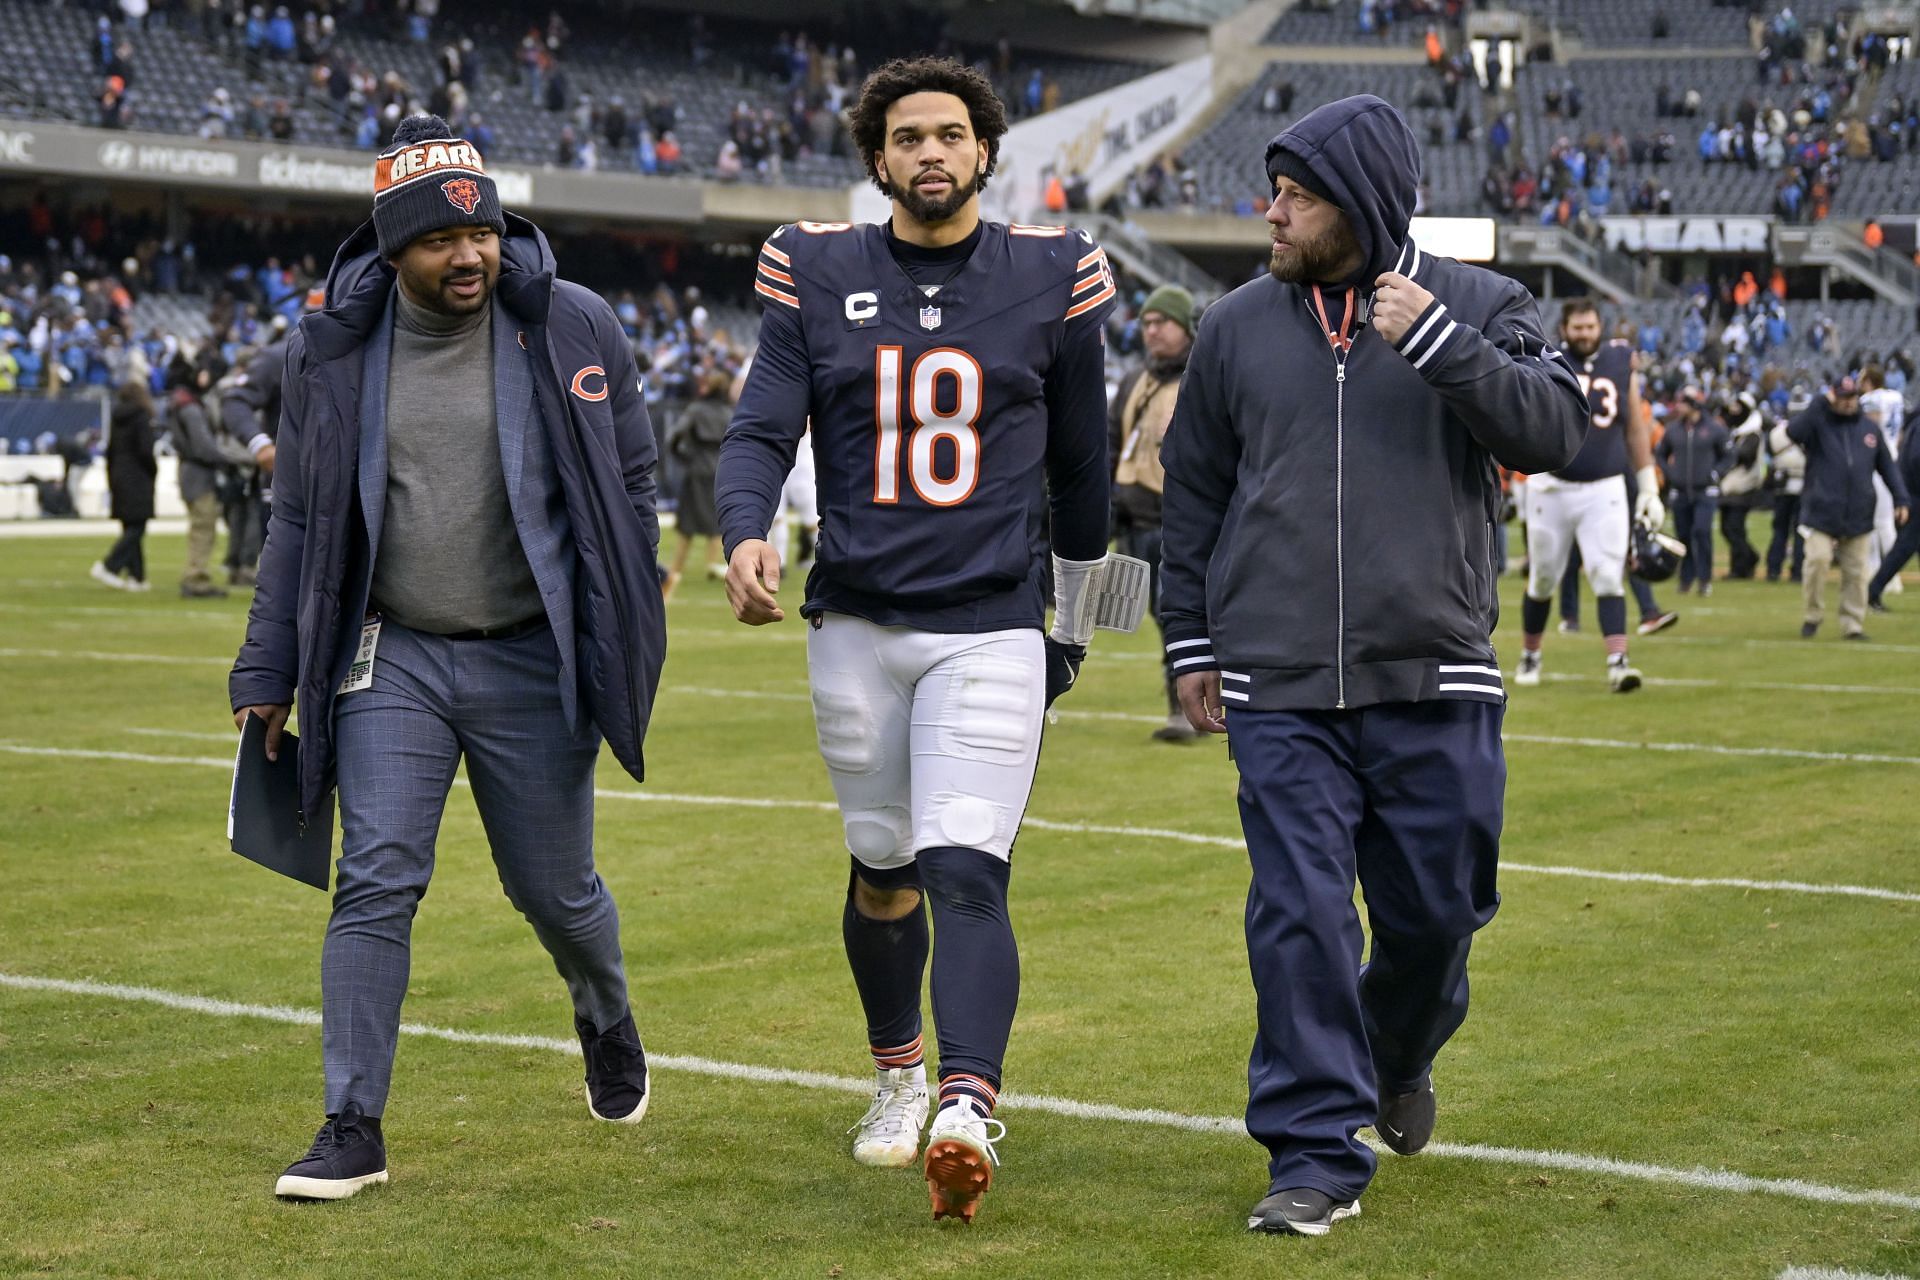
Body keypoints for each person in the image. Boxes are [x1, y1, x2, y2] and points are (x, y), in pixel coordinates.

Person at [1158, 94, 1586, 1237]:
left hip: (1434, 672)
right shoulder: (1235, 324)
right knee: (1297, 909)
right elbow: (1193, 495)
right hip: (1279, 682)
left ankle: (1398, 1048)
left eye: (1296, 196)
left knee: (1439, 914)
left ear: (1361, 203)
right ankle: (1310, 1149)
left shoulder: (1483, 302)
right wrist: (1189, 639)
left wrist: (1441, 344)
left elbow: (1559, 431)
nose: (1274, 212)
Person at [228, 115, 668, 1202]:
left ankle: (604, 1010)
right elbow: (295, 517)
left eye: (481, 232)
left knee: (555, 890)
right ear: (393, 249)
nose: (467, 255)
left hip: (533, 656)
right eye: (438, 241)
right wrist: (265, 668)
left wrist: (620, 592)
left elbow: (637, 483)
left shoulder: (570, 323)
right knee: (375, 877)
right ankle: (351, 1123)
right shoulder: (329, 347)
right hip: (396, 654)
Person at [715, 57, 1114, 1224]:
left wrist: (1080, 626)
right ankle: (896, 1072)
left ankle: (966, 1101)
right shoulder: (815, 263)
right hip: (855, 621)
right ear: (877, 158)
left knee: (964, 864)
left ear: (986, 151)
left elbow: (1086, 471)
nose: (930, 153)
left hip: (990, 625)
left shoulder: (1055, 272)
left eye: (951, 134)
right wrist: (745, 531)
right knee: (884, 866)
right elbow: (758, 426)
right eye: (907, 137)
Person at [1513, 300, 1663, 693]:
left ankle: (1618, 661)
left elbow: (1633, 426)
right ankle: (1531, 653)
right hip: (1552, 484)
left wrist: (1648, 484)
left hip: (1605, 486)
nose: (1584, 333)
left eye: (1590, 326)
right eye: (1577, 327)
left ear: (1601, 326)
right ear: (1564, 328)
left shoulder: (1619, 360)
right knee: (1543, 578)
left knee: (1607, 574)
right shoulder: (1546, 356)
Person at [1110, 283, 1198, 740]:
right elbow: (1111, 444)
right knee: (1155, 617)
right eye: (1145, 323)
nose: (1151, 331)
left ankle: (1183, 712)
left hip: (1179, 524)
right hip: (1133, 522)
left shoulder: (1201, 380)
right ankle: (1193, 706)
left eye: (1161, 322)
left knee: (1176, 616)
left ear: (1184, 327)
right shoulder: (1133, 381)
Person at [1775, 374, 1910, 639]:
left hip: (1858, 511)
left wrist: (1901, 498)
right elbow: (1793, 431)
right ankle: (1812, 615)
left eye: (1852, 397)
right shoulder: (1818, 423)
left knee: (1856, 572)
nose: (1848, 403)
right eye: (1842, 397)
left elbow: (1887, 468)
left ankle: (1852, 624)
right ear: (1833, 397)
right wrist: (1818, 404)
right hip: (1821, 509)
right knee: (1817, 561)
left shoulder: (1869, 430)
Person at [170, 356, 257, 599]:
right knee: (203, 528)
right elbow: (204, 447)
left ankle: (195, 575)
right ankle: (196, 579)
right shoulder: (191, 408)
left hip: (189, 472)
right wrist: (232, 460)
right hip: (199, 475)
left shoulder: (181, 404)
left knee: (201, 527)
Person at [1654, 386, 1730, 594]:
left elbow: (1728, 455)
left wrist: (1716, 473)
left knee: (1702, 531)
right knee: (1684, 536)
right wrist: (1671, 473)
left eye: (1683, 402)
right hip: (1680, 490)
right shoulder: (1674, 430)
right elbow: (1660, 453)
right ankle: (1686, 578)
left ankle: (1705, 579)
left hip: (1705, 490)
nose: (1678, 406)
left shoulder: (1714, 429)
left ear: (1694, 405)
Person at [661, 369, 729, 600]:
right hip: (721, 470)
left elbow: (674, 437)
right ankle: (713, 564)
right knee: (716, 520)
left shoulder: (695, 410)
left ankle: (676, 567)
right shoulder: (730, 412)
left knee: (687, 523)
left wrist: (683, 458)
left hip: (697, 469)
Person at [91, 375, 159, 592]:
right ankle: (109, 565)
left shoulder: (116, 418)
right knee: (138, 526)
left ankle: (137, 577)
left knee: (131, 525)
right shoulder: (141, 418)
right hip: (137, 476)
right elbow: (145, 450)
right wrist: (153, 471)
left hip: (118, 475)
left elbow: (110, 451)